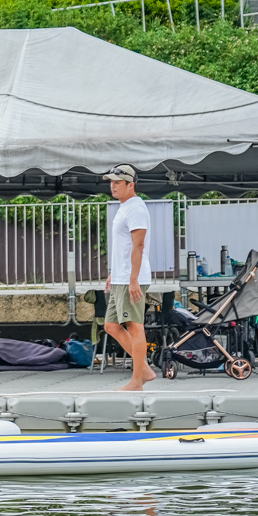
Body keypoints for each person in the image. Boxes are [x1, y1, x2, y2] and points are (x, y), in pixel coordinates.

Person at [102, 164, 155, 391]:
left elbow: (138, 245)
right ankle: (144, 369)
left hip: (131, 278)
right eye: (111, 182)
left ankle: (137, 381)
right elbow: (123, 247)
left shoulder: (135, 208)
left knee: (135, 326)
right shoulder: (124, 207)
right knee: (111, 326)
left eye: (117, 182)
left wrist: (133, 279)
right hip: (121, 277)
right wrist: (114, 273)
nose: (112, 186)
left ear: (130, 185)